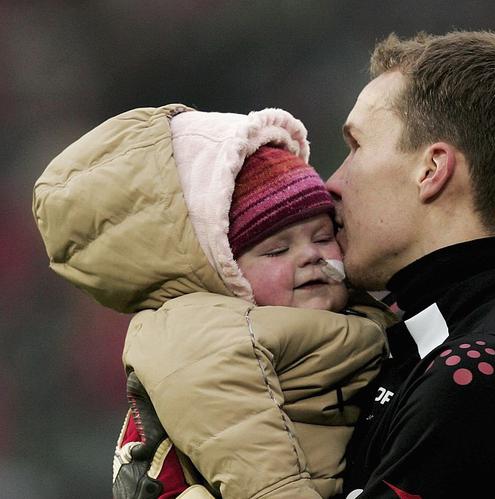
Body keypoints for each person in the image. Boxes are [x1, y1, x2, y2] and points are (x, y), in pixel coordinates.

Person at [32, 105, 393, 498]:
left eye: (323, 236)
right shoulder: (203, 335)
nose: (311, 255)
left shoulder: (367, 312)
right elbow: (263, 478)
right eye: (276, 250)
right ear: (223, 270)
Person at [324, 31, 495, 498]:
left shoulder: (481, 375)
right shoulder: (479, 341)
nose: (332, 183)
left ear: (432, 170)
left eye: (356, 147)